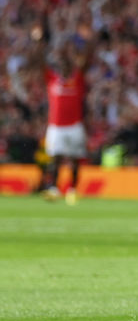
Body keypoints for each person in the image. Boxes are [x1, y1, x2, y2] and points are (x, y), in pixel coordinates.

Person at [30, 21, 96, 205]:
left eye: (67, 63)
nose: (65, 66)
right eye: (62, 64)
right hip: (56, 126)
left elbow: (87, 60)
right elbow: (39, 62)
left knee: (74, 158)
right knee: (56, 159)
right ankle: (55, 189)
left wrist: (88, 41)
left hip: (74, 125)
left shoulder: (77, 80)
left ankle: (73, 190)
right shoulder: (53, 80)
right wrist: (38, 43)